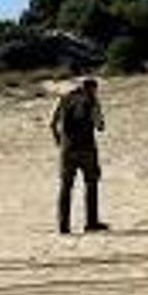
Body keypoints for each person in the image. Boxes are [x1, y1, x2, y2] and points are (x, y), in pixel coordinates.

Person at [51, 77, 108, 234]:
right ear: (93, 88)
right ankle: (91, 222)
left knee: (66, 187)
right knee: (91, 184)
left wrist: (59, 142)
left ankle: (63, 225)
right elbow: (100, 125)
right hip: (87, 148)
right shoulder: (91, 100)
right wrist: (97, 107)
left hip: (67, 148)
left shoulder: (63, 98)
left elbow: (53, 123)